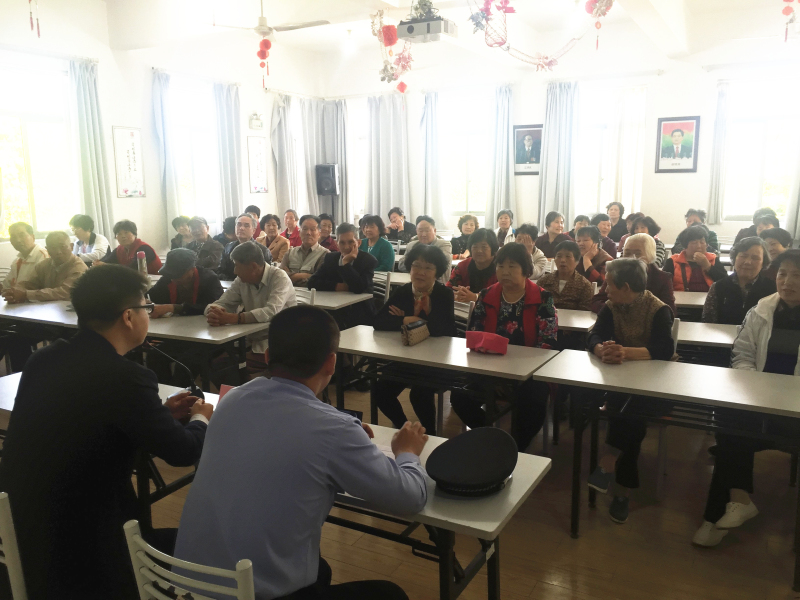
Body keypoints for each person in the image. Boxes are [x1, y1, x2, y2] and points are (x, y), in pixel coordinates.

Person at [175, 306, 426, 600]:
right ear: (331, 363)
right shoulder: (334, 430)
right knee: (389, 594)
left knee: (320, 569)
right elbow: (410, 498)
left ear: (267, 356)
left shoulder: (232, 400)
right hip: (252, 594)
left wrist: (338, 427)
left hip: (187, 587)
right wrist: (407, 452)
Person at [0, 265, 212, 599]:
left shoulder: (45, 358)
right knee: (205, 544)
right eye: (146, 306)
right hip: (87, 550)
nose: (148, 314)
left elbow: (89, 421)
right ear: (128, 316)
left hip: (23, 531)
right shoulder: (126, 377)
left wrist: (157, 413)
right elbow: (183, 451)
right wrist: (200, 418)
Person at [692, 249, 800, 547]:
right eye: (782, 274)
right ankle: (734, 504)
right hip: (760, 401)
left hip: (795, 412)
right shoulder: (762, 310)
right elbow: (742, 354)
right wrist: (755, 388)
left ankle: (719, 516)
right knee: (729, 425)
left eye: (796, 275)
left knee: (732, 441)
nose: (787, 281)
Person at [583, 258, 675, 524]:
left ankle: (609, 462)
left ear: (624, 287)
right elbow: (593, 335)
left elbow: (664, 350)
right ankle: (621, 490)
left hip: (654, 387)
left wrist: (624, 352)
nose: (605, 289)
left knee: (628, 415)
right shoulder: (611, 306)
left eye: (609, 284)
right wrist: (601, 349)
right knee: (627, 417)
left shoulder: (659, 309)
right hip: (620, 383)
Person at [450, 243, 557, 451]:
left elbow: (547, 343)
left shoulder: (543, 298)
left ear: (526, 270)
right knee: (459, 395)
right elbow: (474, 334)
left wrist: (514, 370)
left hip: (529, 372)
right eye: (500, 266)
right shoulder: (486, 295)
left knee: (534, 400)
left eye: (512, 266)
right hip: (489, 368)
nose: (505, 272)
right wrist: (494, 368)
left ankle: (516, 448)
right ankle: (493, 439)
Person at [373, 244, 456, 436]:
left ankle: (430, 435)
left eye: (428, 268)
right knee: (380, 390)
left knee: (419, 393)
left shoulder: (444, 294)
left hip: (437, 361)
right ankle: (406, 430)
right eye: (416, 266)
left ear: (437, 272)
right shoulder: (403, 291)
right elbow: (378, 321)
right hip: (407, 358)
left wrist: (424, 314)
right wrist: (406, 319)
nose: (421, 272)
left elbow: (444, 330)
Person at [205, 241, 296, 355]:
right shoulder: (241, 280)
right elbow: (223, 302)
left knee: (225, 362)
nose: (234, 271)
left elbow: (271, 311)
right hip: (249, 339)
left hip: (279, 342)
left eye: (237, 265)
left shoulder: (279, 277)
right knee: (211, 357)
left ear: (253, 266)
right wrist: (213, 312)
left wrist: (234, 318)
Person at [308, 223, 377, 327]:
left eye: (351, 242)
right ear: (337, 244)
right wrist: (338, 286)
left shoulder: (368, 260)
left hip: (360, 311)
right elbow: (312, 282)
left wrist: (345, 264)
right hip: (334, 309)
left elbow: (359, 288)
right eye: (342, 242)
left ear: (358, 243)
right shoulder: (330, 258)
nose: (346, 247)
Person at [592, 233, 676, 315]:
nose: (631, 258)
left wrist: (634, 313)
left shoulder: (662, 278)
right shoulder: (614, 273)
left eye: (637, 253)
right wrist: (617, 312)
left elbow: (670, 311)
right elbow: (596, 301)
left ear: (650, 255)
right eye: (627, 253)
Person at [702, 237, 775, 325]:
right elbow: (708, 322)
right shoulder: (718, 287)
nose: (747, 262)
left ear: (763, 263)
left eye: (755, 258)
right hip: (721, 334)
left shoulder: (773, 290)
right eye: (743, 256)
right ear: (734, 258)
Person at [1, 231, 86, 304]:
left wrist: (26, 294)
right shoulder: (43, 265)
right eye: (53, 248)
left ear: (71, 246)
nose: (58, 252)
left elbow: (64, 293)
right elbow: (30, 284)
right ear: (47, 249)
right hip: (47, 311)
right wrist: (14, 292)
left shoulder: (79, 268)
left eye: (62, 247)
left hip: (73, 313)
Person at [148, 248, 224, 318]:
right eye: (171, 275)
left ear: (192, 270)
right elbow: (150, 296)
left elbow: (213, 307)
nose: (173, 279)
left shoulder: (209, 279)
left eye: (178, 275)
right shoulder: (168, 277)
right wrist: (145, 301)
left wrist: (173, 308)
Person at [664, 226, 727, 292]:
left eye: (702, 242)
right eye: (694, 243)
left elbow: (725, 282)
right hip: (681, 297)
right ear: (685, 245)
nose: (699, 246)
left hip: (708, 297)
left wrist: (708, 266)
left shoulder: (713, 259)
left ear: (707, 245)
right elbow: (663, 285)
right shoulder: (673, 261)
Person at [537, 240, 593, 311]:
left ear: (577, 261)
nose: (563, 260)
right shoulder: (543, 281)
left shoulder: (584, 286)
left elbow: (584, 313)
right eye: (559, 256)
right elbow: (535, 306)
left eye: (568, 256)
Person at [447, 228, 498, 303]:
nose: (479, 251)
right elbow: (449, 289)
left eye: (484, 247)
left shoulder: (501, 267)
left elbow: (504, 295)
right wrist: (456, 295)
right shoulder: (462, 266)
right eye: (475, 247)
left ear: (493, 248)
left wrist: (476, 297)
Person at [216, 213, 273, 281]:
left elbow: (266, 277)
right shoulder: (228, 247)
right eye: (239, 224)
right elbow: (220, 271)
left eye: (246, 225)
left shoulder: (263, 251)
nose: (241, 228)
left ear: (253, 230)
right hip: (229, 284)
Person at [399, 216, 453, 283]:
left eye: (427, 231)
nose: (424, 234)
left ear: (434, 231)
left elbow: (440, 266)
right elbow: (401, 265)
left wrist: (415, 265)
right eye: (420, 231)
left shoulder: (444, 245)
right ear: (416, 231)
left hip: (437, 285)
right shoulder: (412, 245)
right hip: (415, 284)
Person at [280, 214, 330, 286]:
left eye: (312, 229)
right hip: (288, 291)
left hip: (311, 292)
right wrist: (306, 275)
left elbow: (317, 280)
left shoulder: (326, 255)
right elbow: (280, 276)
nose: (308, 233)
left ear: (319, 233)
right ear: (299, 232)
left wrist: (290, 276)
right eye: (305, 229)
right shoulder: (290, 253)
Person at [97, 220, 162, 274]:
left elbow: (133, 269)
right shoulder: (119, 250)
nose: (123, 236)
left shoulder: (144, 248)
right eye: (119, 234)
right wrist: (99, 264)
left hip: (154, 281)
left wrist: (106, 266)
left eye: (126, 232)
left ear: (134, 234)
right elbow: (107, 262)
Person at [0, 221, 48, 293]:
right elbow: (6, 286)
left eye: (21, 235)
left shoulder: (44, 257)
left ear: (33, 237)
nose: (18, 240)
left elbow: (43, 289)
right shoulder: (17, 261)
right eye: (13, 237)